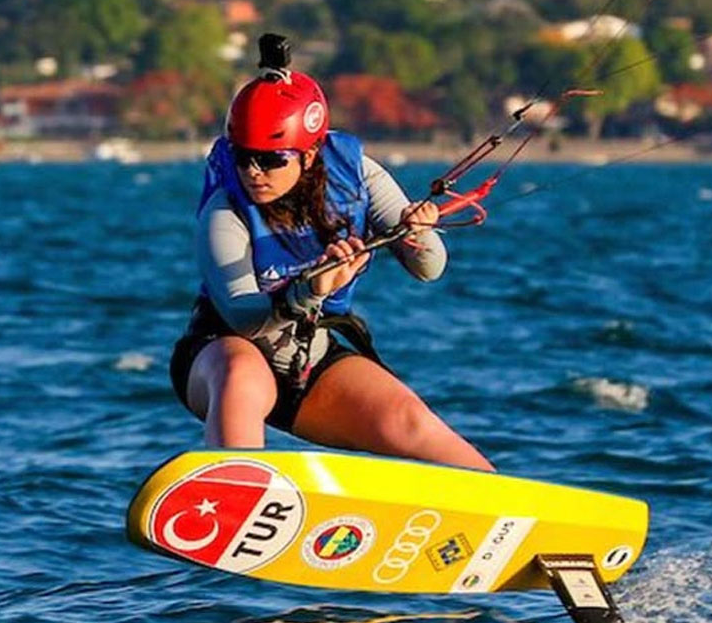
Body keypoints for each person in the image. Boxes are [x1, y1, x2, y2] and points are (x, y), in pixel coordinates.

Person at [168, 35, 494, 471]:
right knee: (242, 374)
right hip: (220, 354)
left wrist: (419, 232)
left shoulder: (357, 174)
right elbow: (243, 318)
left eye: (271, 160)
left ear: (309, 154)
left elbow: (429, 268)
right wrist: (309, 289)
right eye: (244, 157)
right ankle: (237, 487)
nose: (253, 172)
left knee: (409, 421)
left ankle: (515, 519)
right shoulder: (224, 210)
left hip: (308, 358)